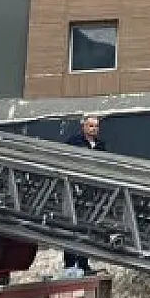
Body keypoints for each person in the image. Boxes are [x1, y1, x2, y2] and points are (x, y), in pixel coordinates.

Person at [61, 115, 107, 276]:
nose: (94, 129)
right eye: (91, 126)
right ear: (84, 127)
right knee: (71, 226)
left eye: (96, 126)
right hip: (74, 189)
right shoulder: (74, 142)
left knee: (86, 227)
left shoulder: (100, 145)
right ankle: (69, 264)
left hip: (90, 191)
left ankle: (83, 263)